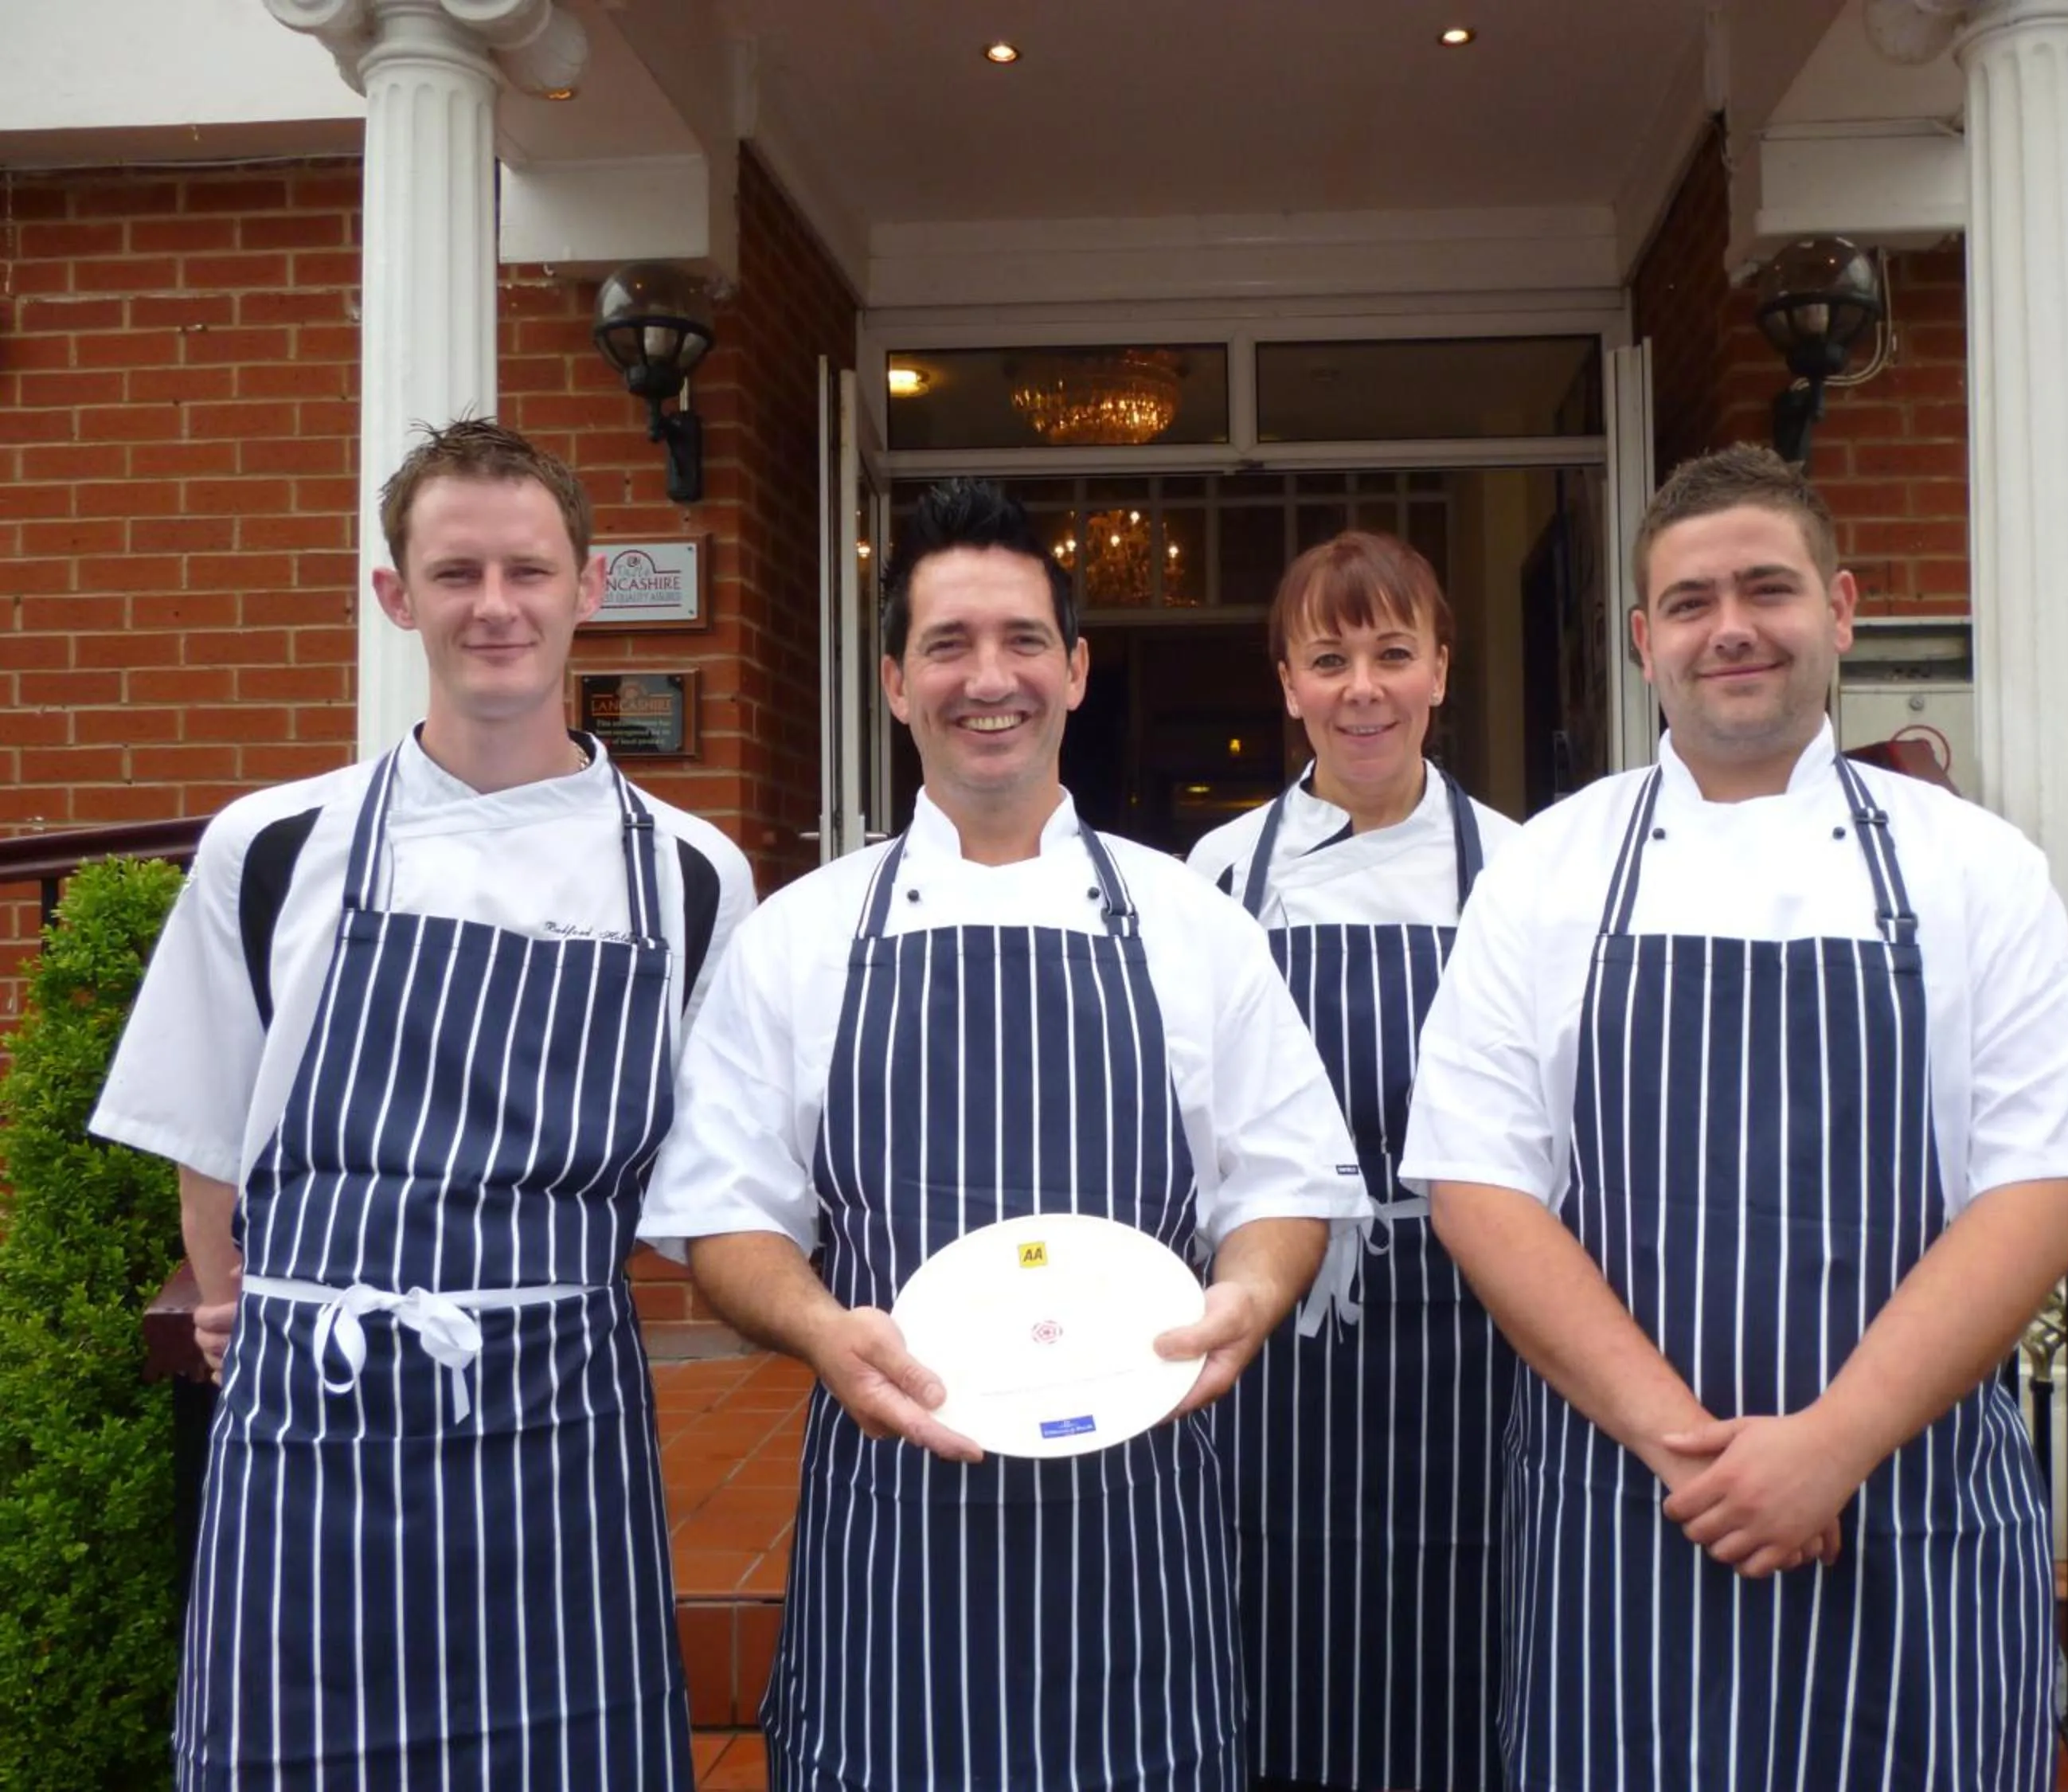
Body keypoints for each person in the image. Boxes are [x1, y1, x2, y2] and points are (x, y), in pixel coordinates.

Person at [1401, 444, 2068, 1791]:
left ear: (1840, 610)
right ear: (1642, 640)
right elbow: (1476, 1185)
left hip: (1912, 1517)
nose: (1729, 627)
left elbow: (2039, 1186)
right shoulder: (1548, 873)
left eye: (1766, 589)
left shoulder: (1980, 867)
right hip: (1628, 1513)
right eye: (1689, 601)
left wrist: (1836, 1441)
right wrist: (1694, 1450)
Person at [638, 477, 1371, 1792]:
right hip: (894, 1527)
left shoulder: (1192, 924)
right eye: (949, 645)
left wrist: (1253, 1294)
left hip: (1140, 1527)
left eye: (1025, 641)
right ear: (896, 681)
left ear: (1077, 670)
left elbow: (1285, 1179)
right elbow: (726, 1215)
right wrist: (818, 1326)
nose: (993, 678)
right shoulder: (801, 935)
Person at [90, 417, 756, 1788]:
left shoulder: (691, 876)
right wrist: (238, 1305)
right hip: (313, 1418)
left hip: (560, 1421)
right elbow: (209, 1130)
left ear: (585, 585)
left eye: (527, 570)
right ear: (396, 596)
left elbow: (716, 1169)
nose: (495, 606)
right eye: (456, 574)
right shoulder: (273, 845)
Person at [1186, 531, 1520, 1792]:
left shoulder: (1522, 868)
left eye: (1393, 652)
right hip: (1285, 1328)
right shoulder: (1220, 876)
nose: (1363, 686)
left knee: (1473, 1610)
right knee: (1281, 1608)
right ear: (1287, 682)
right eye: (1330, 658)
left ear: (1442, 668)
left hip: (1479, 1323)